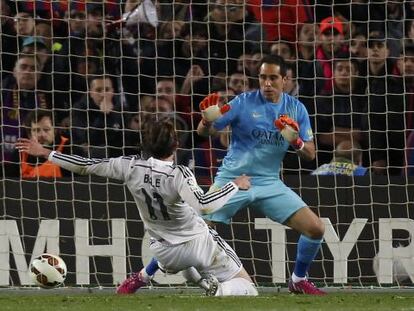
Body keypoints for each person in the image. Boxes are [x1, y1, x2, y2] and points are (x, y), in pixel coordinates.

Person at [15, 118, 258, 297]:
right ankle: (220, 290)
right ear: (175, 146)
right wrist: (235, 184)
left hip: (164, 254)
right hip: (197, 245)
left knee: (186, 255)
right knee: (247, 287)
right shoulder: (179, 174)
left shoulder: (128, 166)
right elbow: (205, 205)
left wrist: (46, 152)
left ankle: (153, 278)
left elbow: (85, 165)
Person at [196, 55, 326, 295]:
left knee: (316, 228)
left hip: (268, 182)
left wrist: (295, 141)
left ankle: (298, 279)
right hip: (233, 179)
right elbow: (207, 131)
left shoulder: (296, 108)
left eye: (273, 78)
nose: (267, 83)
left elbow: (310, 154)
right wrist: (206, 120)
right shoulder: (243, 102)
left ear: (285, 80)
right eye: (263, 77)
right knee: (195, 226)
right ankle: (145, 275)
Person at [5, 110, 78, 178]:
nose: (42, 134)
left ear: (55, 131)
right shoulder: (22, 150)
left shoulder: (68, 147)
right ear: (30, 134)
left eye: (46, 130)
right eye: (36, 130)